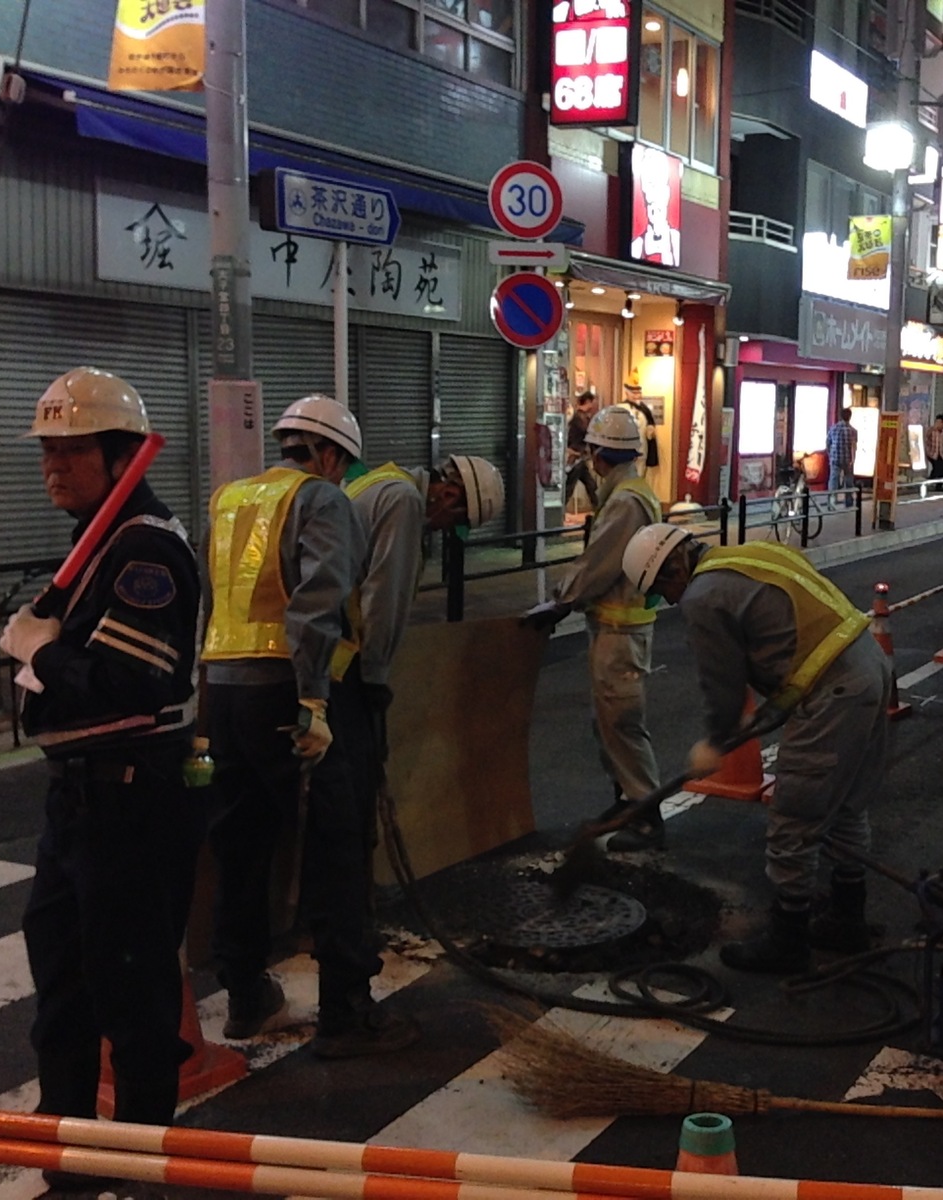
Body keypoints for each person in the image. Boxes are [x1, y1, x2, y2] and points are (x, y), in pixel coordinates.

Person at [0, 367, 203, 1195]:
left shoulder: (145, 547)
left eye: (71, 451)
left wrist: (37, 651)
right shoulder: (99, 539)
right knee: (63, 983)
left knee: (134, 993)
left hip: (132, 795)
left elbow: (132, 683)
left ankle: (140, 1168)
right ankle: (71, 1167)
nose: (52, 467)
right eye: (47, 451)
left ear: (122, 455)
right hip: (80, 798)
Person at [202, 394, 416, 1059]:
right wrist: (317, 703)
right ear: (327, 454)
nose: (341, 476)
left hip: (222, 693)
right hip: (287, 694)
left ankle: (245, 995)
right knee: (337, 841)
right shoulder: (320, 500)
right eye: (342, 465)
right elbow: (317, 605)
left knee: (242, 841)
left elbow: (217, 601)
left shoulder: (231, 499)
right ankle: (347, 1007)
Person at [620, 526, 892, 973]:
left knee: (794, 816)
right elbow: (794, 635)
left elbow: (722, 687)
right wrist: (774, 708)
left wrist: (716, 738)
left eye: (659, 591)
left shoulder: (703, 596)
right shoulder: (754, 553)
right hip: (869, 667)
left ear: (672, 568)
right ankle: (848, 916)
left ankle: (788, 939)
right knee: (845, 805)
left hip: (833, 691)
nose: (667, 602)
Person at [524, 407, 665, 849]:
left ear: (600, 455)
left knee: (621, 722)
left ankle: (645, 815)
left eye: (591, 454)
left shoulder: (625, 502)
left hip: (621, 632)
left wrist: (561, 601)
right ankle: (627, 800)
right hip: (616, 628)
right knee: (607, 721)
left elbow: (599, 564)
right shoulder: (631, 492)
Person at [343, 444, 504, 780]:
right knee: (353, 777)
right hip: (344, 661)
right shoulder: (404, 502)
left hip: (325, 647)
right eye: (455, 521)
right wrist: (373, 678)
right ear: (448, 495)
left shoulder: (379, 482)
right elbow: (384, 597)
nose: (446, 530)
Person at [563, 389, 598, 512]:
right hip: (576, 456)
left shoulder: (583, 417)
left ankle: (598, 507)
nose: (593, 405)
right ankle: (561, 510)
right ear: (587, 402)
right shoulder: (578, 418)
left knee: (590, 484)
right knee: (571, 486)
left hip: (580, 457)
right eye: (592, 402)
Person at [826, 408, 857, 508]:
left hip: (835, 459)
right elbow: (854, 447)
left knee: (833, 480)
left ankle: (831, 503)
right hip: (848, 460)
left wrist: (830, 454)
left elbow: (828, 443)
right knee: (848, 481)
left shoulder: (833, 428)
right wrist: (853, 459)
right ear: (850, 417)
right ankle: (848, 502)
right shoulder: (853, 431)